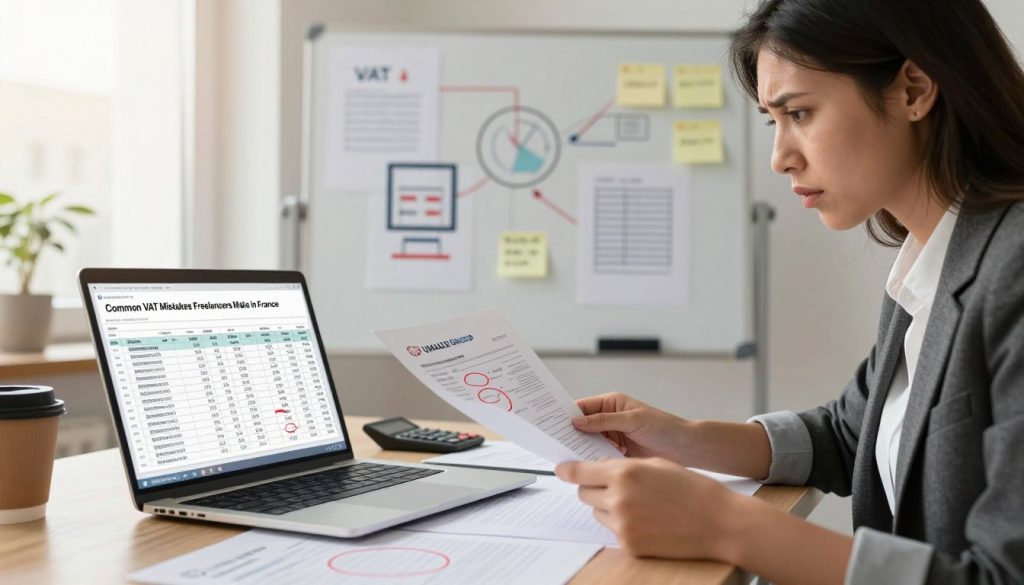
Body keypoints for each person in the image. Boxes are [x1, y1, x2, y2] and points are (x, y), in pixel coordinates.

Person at [554, 0, 1024, 583]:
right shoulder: (934, 261)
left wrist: (723, 523)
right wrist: (683, 438)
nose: (780, 157)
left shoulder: (1013, 271)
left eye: (799, 113)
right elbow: (852, 434)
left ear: (913, 90)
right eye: (772, 121)